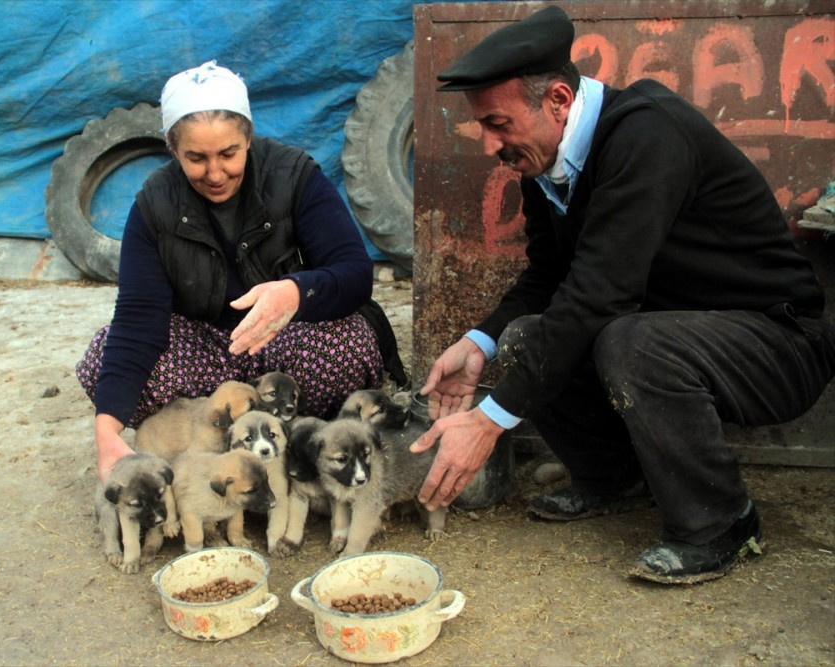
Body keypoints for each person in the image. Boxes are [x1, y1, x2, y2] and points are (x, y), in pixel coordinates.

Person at [410, 5, 834, 584]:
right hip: (676, 332)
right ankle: (616, 479)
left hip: (777, 344)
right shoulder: (544, 161)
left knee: (629, 339)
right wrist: (478, 342)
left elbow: (598, 296)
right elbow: (549, 280)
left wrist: (489, 420)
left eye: (498, 123)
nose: (489, 145)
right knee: (524, 335)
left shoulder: (647, 134)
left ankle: (721, 522)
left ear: (558, 101)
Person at [77, 61, 407, 485]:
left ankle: (297, 438)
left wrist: (295, 292)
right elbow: (138, 319)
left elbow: (355, 273)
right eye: (195, 158)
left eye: (228, 154)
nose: (215, 173)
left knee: (348, 341)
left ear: (248, 138)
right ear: (173, 149)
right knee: (103, 356)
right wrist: (106, 432)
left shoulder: (293, 176)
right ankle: (218, 438)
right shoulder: (153, 206)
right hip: (208, 354)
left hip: (288, 339)